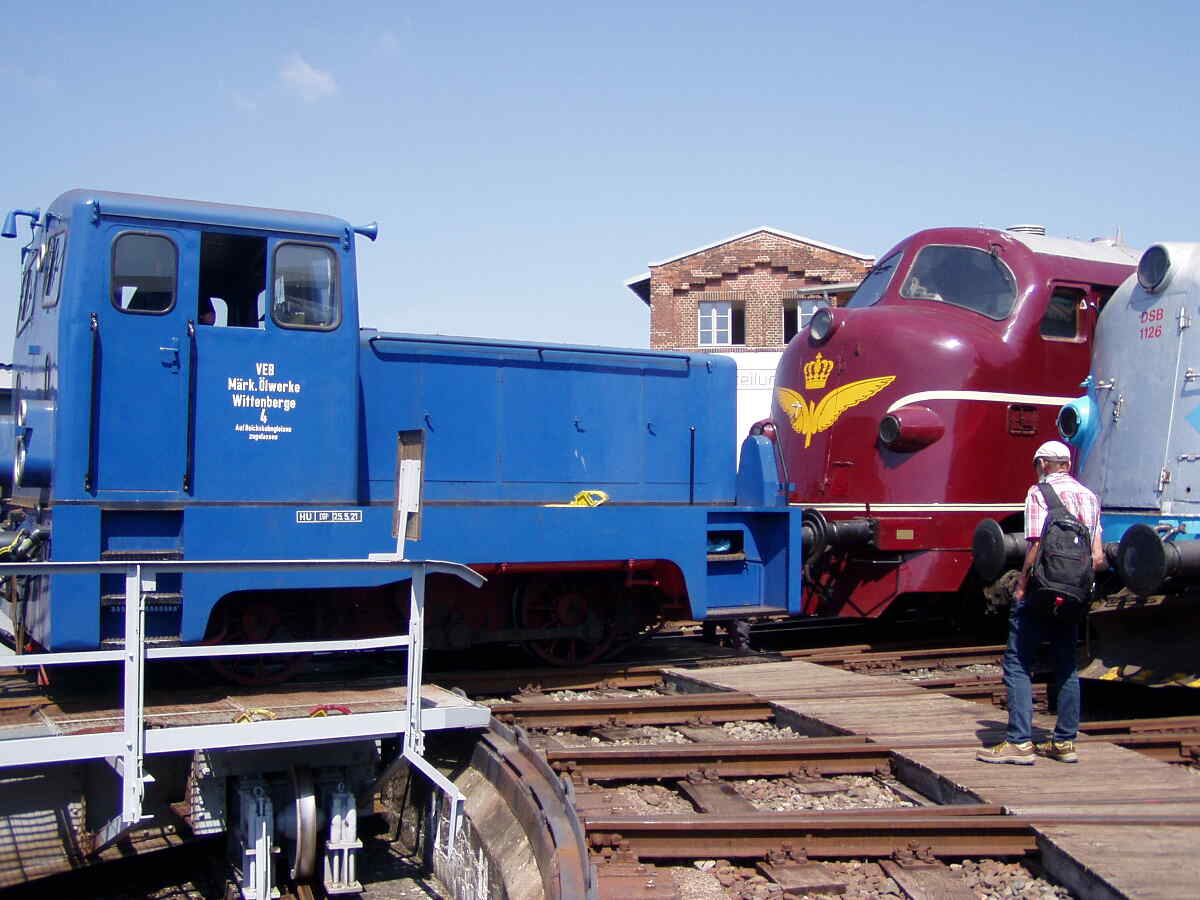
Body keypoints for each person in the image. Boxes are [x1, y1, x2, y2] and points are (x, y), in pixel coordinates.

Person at [976, 440, 1103, 765]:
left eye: (1036, 465)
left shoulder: (1039, 493)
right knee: (1066, 663)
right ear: (1067, 465)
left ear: (1044, 464)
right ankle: (1064, 742)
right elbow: (1098, 555)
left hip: (1040, 591)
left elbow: (1034, 546)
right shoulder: (1090, 496)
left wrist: (1021, 584)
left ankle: (1019, 742)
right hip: (1074, 593)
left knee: (1018, 662)